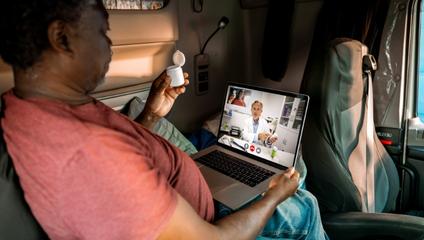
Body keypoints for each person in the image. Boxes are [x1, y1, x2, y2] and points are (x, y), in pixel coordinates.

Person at [0, 1, 328, 239]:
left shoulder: (28, 107)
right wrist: (274, 197)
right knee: (305, 203)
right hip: (212, 218)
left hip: (187, 188)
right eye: (102, 32)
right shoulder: (89, 153)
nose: (109, 45)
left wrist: (151, 115)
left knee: (290, 166)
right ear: (61, 37)